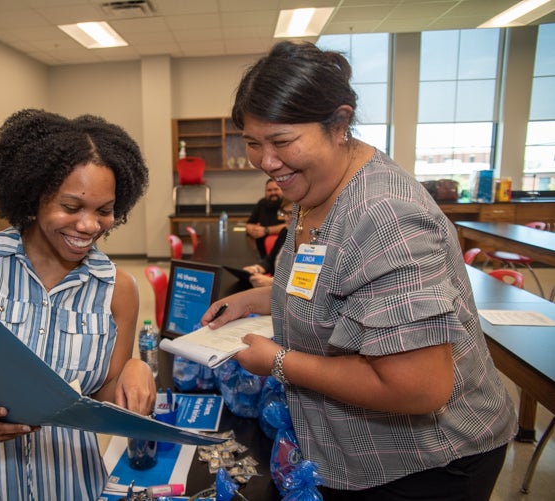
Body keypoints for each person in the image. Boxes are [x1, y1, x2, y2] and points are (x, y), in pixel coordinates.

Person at [202, 41, 517, 500]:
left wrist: (279, 362)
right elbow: (333, 286)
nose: (266, 162)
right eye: (253, 143)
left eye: (282, 142)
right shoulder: (315, 187)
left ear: (340, 123)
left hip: (426, 466)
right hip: (347, 453)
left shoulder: (386, 215)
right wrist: (256, 299)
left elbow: (418, 388)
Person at [0, 109, 155, 500]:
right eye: (72, 207)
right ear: (35, 195)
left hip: (67, 480)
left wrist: (135, 372)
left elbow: (104, 396)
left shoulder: (118, 290)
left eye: (104, 210)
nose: (89, 225)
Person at [243, 198, 292, 287]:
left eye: (291, 213)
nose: (285, 218)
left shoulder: (310, 241)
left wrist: (271, 282)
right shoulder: (285, 232)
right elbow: (270, 260)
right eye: (284, 213)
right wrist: (255, 269)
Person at [246, 178, 287, 257]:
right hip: (261, 252)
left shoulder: (288, 204)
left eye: (276, 189)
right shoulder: (262, 203)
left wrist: (266, 230)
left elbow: (291, 225)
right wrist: (252, 230)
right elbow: (249, 224)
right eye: (269, 190)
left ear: (282, 189)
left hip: (282, 251)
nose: (273, 192)